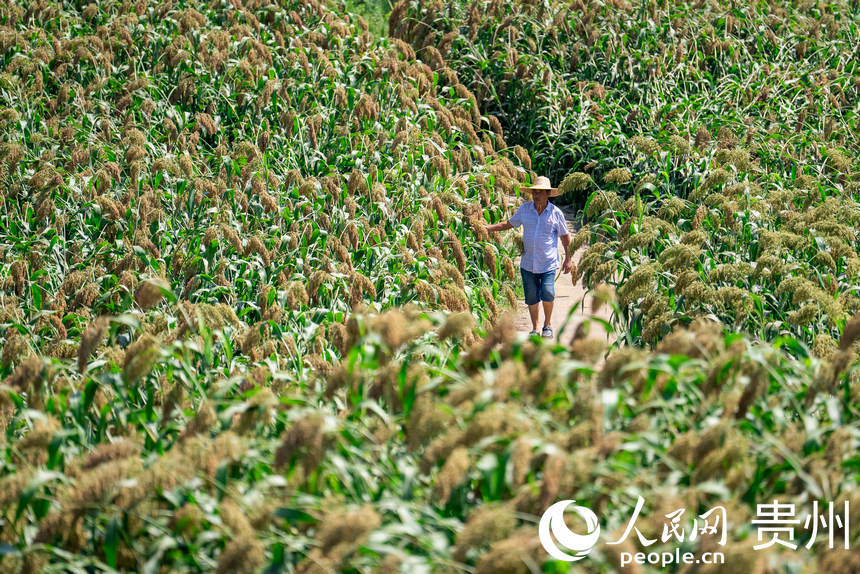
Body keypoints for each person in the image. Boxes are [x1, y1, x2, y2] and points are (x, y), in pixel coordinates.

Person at [484, 176, 571, 338]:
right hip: (528, 263)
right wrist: (486, 228)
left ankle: (548, 325)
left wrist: (568, 258)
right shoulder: (524, 210)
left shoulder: (555, 213)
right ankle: (536, 328)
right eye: (534, 192)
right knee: (531, 297)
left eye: (541, 192)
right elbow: (508, 224)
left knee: (547, 292)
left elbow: (565, 236)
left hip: (548, 263)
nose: (536, 195)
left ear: (547, 195)